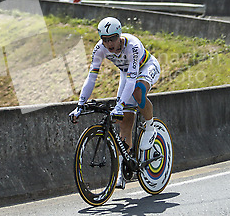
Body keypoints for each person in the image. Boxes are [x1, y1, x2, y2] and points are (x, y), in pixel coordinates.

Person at [69, 17, 161, 189]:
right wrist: (80, 105)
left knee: (138, 91)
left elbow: (133, 78)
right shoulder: (99, 49)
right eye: (105, 39)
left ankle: (150, 126)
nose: (109, 43)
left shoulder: (132, 45)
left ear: (119, 36)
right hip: (127, 74)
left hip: (145, 66)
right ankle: (121, 171)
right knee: (124, 122)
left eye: (112, 39)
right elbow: (91, 77)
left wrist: (119, 105)